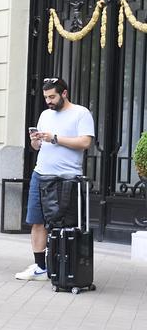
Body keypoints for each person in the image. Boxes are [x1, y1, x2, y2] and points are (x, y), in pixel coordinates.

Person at [15, 77, 95, 281]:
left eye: (52, 96)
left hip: (66, 178)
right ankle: (40, 267)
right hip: (40, 174)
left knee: (62, 225)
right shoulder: (44, 115)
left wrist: (55, 138)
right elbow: (38, 147)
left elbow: (86, 142)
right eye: (46, 97)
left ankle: (62, 267)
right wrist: (35, 142)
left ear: (64, 93)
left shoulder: (81, 113)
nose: (49, 101)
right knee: (36, 221)